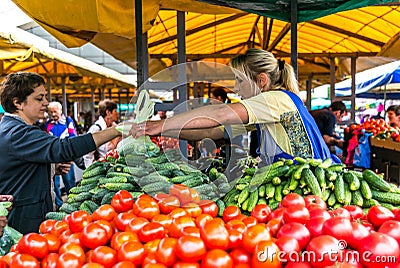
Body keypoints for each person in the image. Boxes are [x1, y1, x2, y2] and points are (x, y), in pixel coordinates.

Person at [130, 48, 338, 167]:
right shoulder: (267, 109)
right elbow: (212, 131)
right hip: (294, 185)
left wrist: (158, 124)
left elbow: (220, 114)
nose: (236, 89)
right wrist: (164, 130)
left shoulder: (276, 99)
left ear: (261, 80)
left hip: (309, 190)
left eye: (239, 81)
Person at [0, 72, 123, 234]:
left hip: (24, 217)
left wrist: (51, 169)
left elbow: (20, 169)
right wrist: (117, 130)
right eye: (39, 98)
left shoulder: (12, 129)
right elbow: (64, 148)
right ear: (18, 103)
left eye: (45, 97)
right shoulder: (18, 133)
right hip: (24, 224)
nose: (46, 103)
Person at [45, 101, 79, 210]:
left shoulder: (68, 121)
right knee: (54, 184)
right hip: (53, 159)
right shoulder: (48, 124)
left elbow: (73, 137)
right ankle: (59, 205)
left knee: (69, 181)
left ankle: (74, 203)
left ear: (60, 110)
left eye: (55, 112)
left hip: (66, 158)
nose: (53, 114)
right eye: (51, 112)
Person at [83, 99, 120, 168]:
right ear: (108, 112)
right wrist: (92, 169)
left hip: (114, 167)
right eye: (115, 111)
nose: (117, 113)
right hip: (101, 168)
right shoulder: (96, 128)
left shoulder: (116, 127)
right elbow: (87, 154)